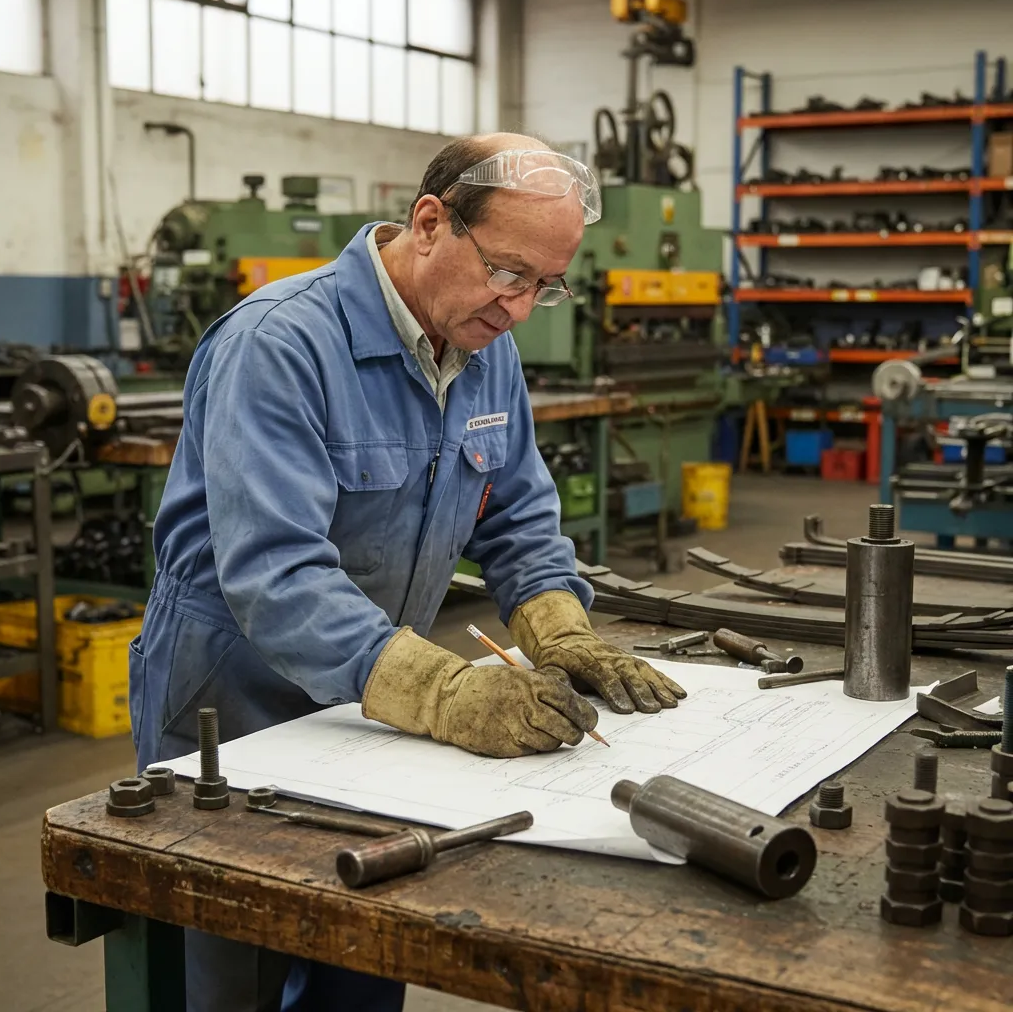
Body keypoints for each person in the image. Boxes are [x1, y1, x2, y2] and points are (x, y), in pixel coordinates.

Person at [129, 132, 686, 1012]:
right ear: (430, 223)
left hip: (376, 708)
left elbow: (518, 517)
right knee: (239, 973)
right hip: (235, 714)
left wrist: (561, 631)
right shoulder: (279, 344)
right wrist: (445, 694)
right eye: (509, 272)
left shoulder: (484, 348)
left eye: (546, 285)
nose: (521, 308)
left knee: (364, 955)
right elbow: (276, 573)